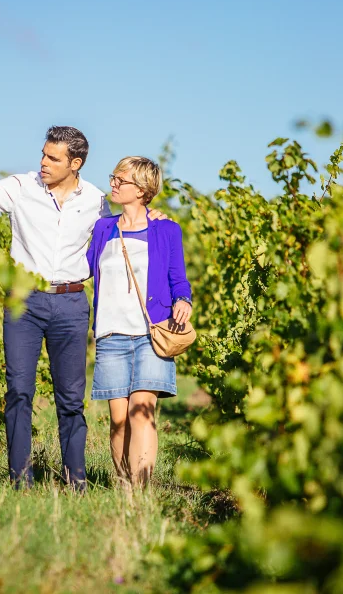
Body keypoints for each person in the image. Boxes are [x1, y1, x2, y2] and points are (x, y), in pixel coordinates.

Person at [0, 127, 165, 491]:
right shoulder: (20, 187)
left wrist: (149, 216)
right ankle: (21, 482)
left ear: (75, 163)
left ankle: (76, 482)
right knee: (18, 391)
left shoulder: (94, 201)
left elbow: (122, 227)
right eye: (43, 154)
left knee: (71, 400)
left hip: (72, 304)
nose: (43, 163)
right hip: (24, 303)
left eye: (53, 158)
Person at [86, 156, 192, 488]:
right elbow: (86, 269)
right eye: (113, 177)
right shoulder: (103, 227)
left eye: (121, 179)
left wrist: (183, 301)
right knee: (119, 422)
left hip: (151, 334)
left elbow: (179, 278)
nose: (113, 184)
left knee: (141, 414)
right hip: (110, 334)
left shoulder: (166, 229)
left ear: (142, 189)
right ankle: (124, 486)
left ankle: (140, 495)